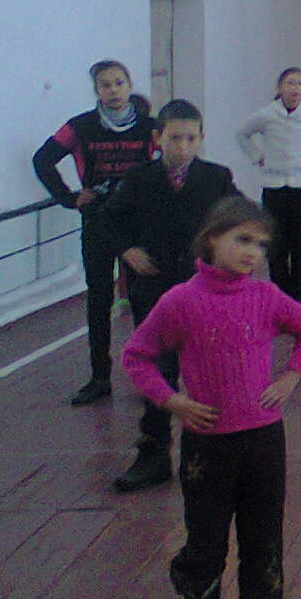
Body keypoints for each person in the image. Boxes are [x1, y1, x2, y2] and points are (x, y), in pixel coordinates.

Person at [121, 197, 301, 599]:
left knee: (263, 536)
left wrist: (291, 377)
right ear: (212, 238)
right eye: (242, 239)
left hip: (263, 441)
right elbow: (136, 356)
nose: (253, 252)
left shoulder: (266, 296)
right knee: (206, 540)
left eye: (261, 244)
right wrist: (173, 401)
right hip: (207, 447)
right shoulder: (180, 301)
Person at [99, 99, 236, 492]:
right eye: (175, 138)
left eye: (191, 138)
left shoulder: (216, 178)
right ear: (158, 138)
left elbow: (240, 220)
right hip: (155, 288)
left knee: (213, 369)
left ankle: (217, 452)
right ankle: (154, 450)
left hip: (203, 291)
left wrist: (226, 261)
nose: (182, 146)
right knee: (158, 370)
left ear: (201, 138)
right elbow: (108, 219)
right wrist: (127, 250)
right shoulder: (138, 178)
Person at [32, 59, 157, 405]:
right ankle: (100, 378)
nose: (113, 90)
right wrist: (68, 198)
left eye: (119, 83)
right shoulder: (80, 126)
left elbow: (170, 163)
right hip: (98, 222)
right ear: (97, 90)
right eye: (105, 85)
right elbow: (42, 160)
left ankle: (149, 376)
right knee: (99, 299)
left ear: (129, 85)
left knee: (143, 299)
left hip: (138, 224)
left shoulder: (151, 127)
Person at [234, 68, 301, 304]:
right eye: (290, 83)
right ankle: (280, 296)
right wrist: (257, 157)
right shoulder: (267, 115)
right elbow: (243, 133)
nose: (295, 88)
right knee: (276, 245)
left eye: (300, 84)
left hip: (300, 186)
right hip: (273, 186)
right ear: (280, 88)